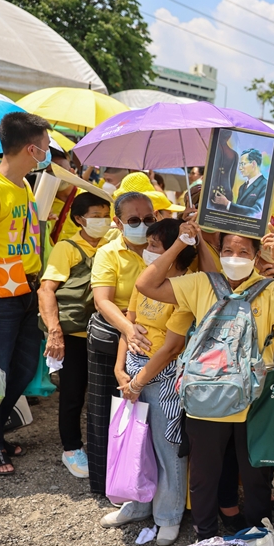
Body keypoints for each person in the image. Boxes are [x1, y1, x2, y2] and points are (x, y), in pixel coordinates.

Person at [136, 225, 274, 540]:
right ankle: (206, 538)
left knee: (256, 476)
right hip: (206, 396)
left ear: (257, 256)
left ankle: (258, 538)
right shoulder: (202, 283)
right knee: (204, 477)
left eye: (244, 252)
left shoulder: (270, 289)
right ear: (218, 251)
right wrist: (180, 242)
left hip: (253, 400)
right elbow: (147, 284)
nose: (234, 258)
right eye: (228, 251)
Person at [100, 219, 196, 546]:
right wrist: (119, 369)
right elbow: (129, 323)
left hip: (162, 377)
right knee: (136, 443)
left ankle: (168, 515)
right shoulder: (145, 284)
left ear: (174, 252)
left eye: (155, 245)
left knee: (167, 447)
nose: (147, 250)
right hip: (133, 373)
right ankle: (138, 503)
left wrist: (139, 381)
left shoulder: (184, 289)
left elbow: (170, 348)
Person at [0, 112, 50, 475]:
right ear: (31, 148)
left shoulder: (25, 185)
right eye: (45, 147)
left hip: (25, 287)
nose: (47, 153)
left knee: (24, 366)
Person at [39, 192, 113, 478]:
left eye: (106, 215)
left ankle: (103, 446)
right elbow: (47, 289)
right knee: (72, 393)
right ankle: (71, 448)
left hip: (106, 332)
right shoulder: (67, 247)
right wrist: (54, 331)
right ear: (80, 219)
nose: (102, 221)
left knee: (105, 393)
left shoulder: (112, 244)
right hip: (75, 334)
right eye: (96, 217)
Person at [88, 191, 157, 494]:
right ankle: (108, 482)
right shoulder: (108, 252)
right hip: (113, 336)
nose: (142, 225)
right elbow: (103, 301)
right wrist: (128, 330)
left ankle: (148, 483)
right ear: (117, 222)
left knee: (154, 414)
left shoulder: (162, 249)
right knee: (109, 411)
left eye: (148, 219)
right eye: (133, 220)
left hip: (155, 339)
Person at [210, 149, 268, 217]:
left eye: (243, 164)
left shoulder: (265, 185)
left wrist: (227, 203)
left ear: (253, 164)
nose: (240, 168)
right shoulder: (242, 187)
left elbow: (256, 212)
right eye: (240, 164)